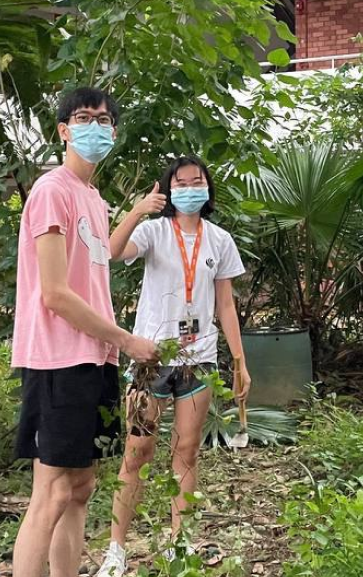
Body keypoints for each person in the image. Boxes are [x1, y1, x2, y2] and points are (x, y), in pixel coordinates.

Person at [10, 87, 162, 577]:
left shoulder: (93, 200)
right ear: (63, 130)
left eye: (103, 120)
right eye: (83, 117)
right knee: (52, 491)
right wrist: (125, 338)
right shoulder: (52, 191)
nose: (94, 127)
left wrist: (112, 347)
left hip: (94, 361)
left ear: (113, 133)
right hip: (58, 359)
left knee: (80, 490)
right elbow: (54, 293)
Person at [97, 155, 251, 577]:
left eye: (196, 180)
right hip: (151, 360)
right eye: (180, 182)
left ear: (208, 188)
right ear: (167, 189)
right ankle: (116, 549)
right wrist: (135, 210)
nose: (188, 188)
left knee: (186, 450)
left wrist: (238, 360)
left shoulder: (219, 240)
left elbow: (225, 304)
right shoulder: (152, 230)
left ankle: (178, 544)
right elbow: (110, 252)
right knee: (137, 451)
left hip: (198, 361)